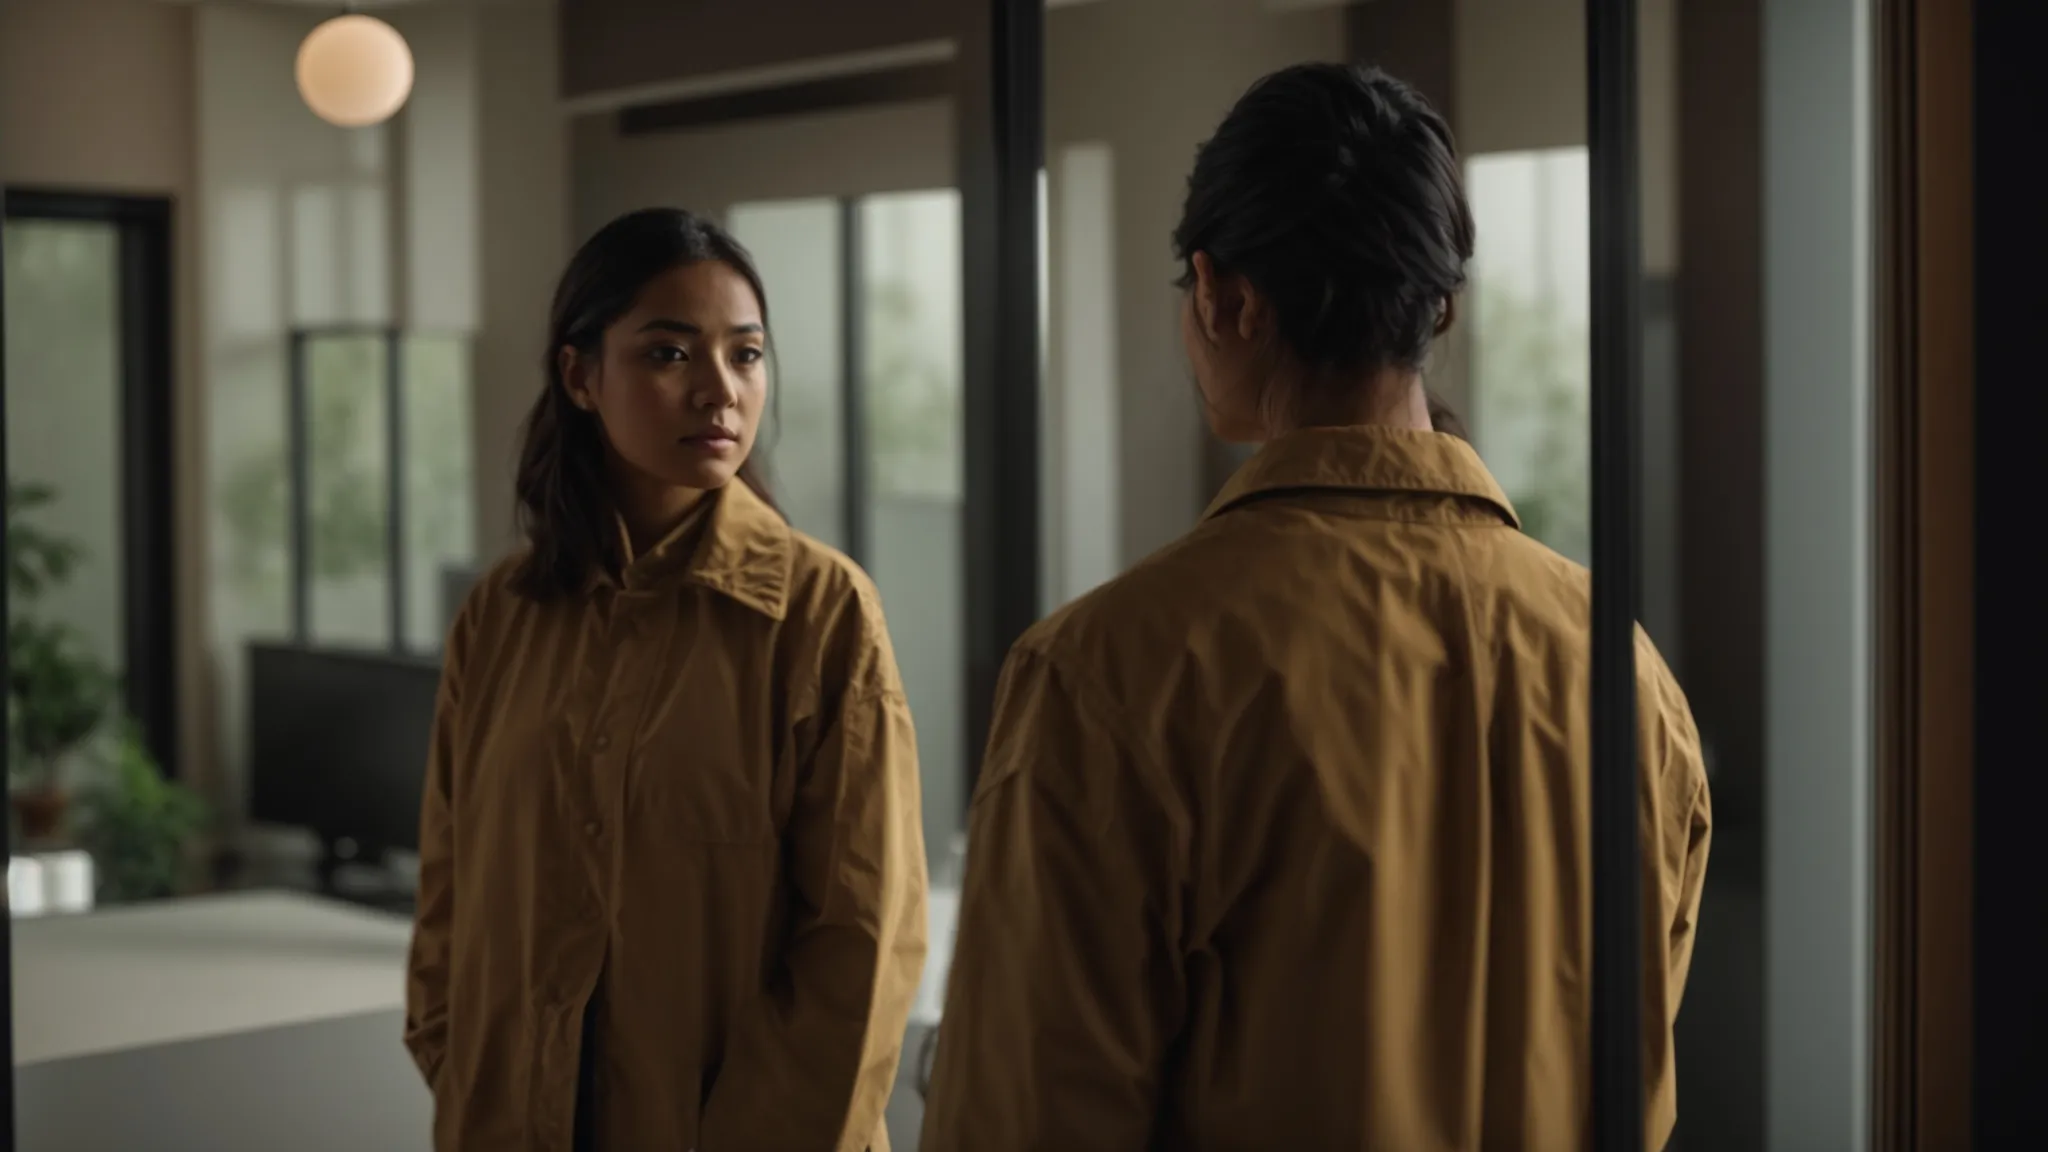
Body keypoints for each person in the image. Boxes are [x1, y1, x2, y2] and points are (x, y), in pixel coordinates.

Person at [921, 64, 1710, 1151]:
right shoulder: (1622, 671)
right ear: (1436, 305)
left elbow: (1023, 1115)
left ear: (1222, 296)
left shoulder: (1111, 673)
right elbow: (1635, 1072)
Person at [404, 207, 928, 1152]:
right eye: (671, 355)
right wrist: (473, 1079)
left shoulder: (819, 617)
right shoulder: (502, 617)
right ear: (580, 376)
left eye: (747, 354)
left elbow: (863, 949)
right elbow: (451, 902)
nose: (720, 391)